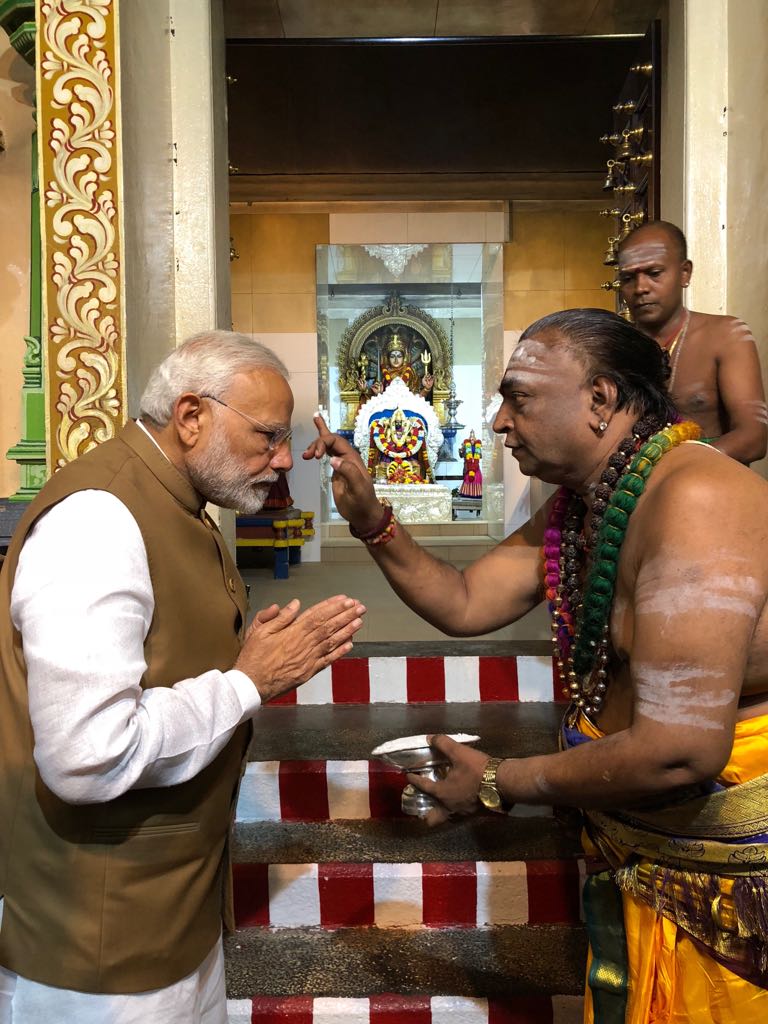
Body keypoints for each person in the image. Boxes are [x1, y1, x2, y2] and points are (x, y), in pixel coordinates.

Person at [304, 308, 768, 1022]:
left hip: (725, 898)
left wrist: (495, 781)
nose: (496, 421)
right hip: (634, 857)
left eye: (517, 397)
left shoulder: (695, 499)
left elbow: (680, 750)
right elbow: (464, 603)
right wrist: (372, 518)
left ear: (601, 399)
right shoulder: (589, 503)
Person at [0, 330, 366, 1024]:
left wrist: (242, 664)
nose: (284, 459)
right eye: (266, 436)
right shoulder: (99, 520)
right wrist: (244, 683)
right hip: (102, 954)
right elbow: (86, 757)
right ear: (192, 415)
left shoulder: (177, 502)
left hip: (173, 919)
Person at [617, 219, 767, 465]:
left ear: (684, 273)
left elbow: (753, 438)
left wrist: (672, 472)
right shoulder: (615, 349)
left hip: (709, 491)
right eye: (628, 278)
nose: (640, 287)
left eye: (654, 274)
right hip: (632, 494)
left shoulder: (726, 335)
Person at [359, 333, 434, 399]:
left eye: (399, 356)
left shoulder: (411, 373)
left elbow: (417, 399)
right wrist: (368, 391)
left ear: (404, 358)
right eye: (392, 356)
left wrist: (426, 388)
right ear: (388, 359)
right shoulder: (383, 374)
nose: (395, 360)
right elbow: (375, 400)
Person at [457, 429, 482, 498]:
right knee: (467, 479)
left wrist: (479, 453)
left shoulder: (478, 446)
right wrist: (461, 450)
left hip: (476, 466)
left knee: (477, 478)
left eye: (473, 439)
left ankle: (477, 493)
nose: (472, 441)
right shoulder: (466, 446)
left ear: (475, 439)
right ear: (469, 440)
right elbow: (461, 455)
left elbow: (481, 456)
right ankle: (467, 492)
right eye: (471, 439)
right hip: (468, 465)